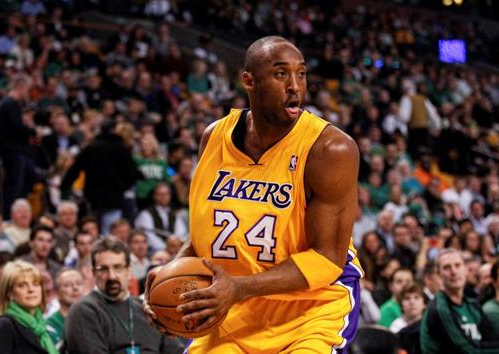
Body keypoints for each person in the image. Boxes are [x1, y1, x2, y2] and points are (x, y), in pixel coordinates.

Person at [145, 36, 362, 353]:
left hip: (311, 312)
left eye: (300, 74)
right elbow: (202, 239)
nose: (294, 87)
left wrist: (238, 288)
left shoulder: (330, 149)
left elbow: (327, 258)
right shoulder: (214, 139)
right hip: (234, 310)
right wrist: (169, 279)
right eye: (280, 74)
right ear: (248, 80)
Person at [64, 237, 183, 354]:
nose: (111, 276)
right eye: (103, 269)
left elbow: (176, 351)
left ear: (128, 270)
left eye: (118, 267)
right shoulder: (82, 311)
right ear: (94, 273)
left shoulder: (147, 309)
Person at [420, 248, 499, 353]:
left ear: (466, 270)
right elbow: (468, 350)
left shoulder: (471, 306)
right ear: (439, 274)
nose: (454, 272)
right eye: (447, 267)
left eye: (457, 265)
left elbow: (495, 342)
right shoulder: (439, 308)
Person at [0, 260, 58, 354]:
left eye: (35, 284)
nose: (31, 290)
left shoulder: (40, 325)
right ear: (9, 293)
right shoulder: (5, 326)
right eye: (22, 285)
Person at [0, 74, 37, 219]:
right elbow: (17, 128)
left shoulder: (11, 104)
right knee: (14, 187)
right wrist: (33, 131)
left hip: (17, 152)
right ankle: (8, 216)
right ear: (22, 87)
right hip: (13, 152)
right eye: (27, 89)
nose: (28, 93)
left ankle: (19, 211)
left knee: (30, 178)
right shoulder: (10, 104)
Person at [134, 182, 188, 252]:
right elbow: (150, 237)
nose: (164, 197)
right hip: (155, 251)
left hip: (175, 250)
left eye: (166, 194)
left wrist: (176, 242)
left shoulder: (175, 212)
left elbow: (181, 232)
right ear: (154, 196)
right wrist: (165, 248)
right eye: (160, 194)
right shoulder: (146, 214)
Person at [46, 269, 84, 346]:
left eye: (79, 283)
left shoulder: (96, 319)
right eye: (67, 285)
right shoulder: (49, 326)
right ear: (56, 292)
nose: (75, 288)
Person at [393, 283, 426, 354]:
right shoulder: (397, 330)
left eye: (416, 297)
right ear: (401, 305)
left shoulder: (431, 328)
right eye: (407, 298)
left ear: (424, 304)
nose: (412, 302)